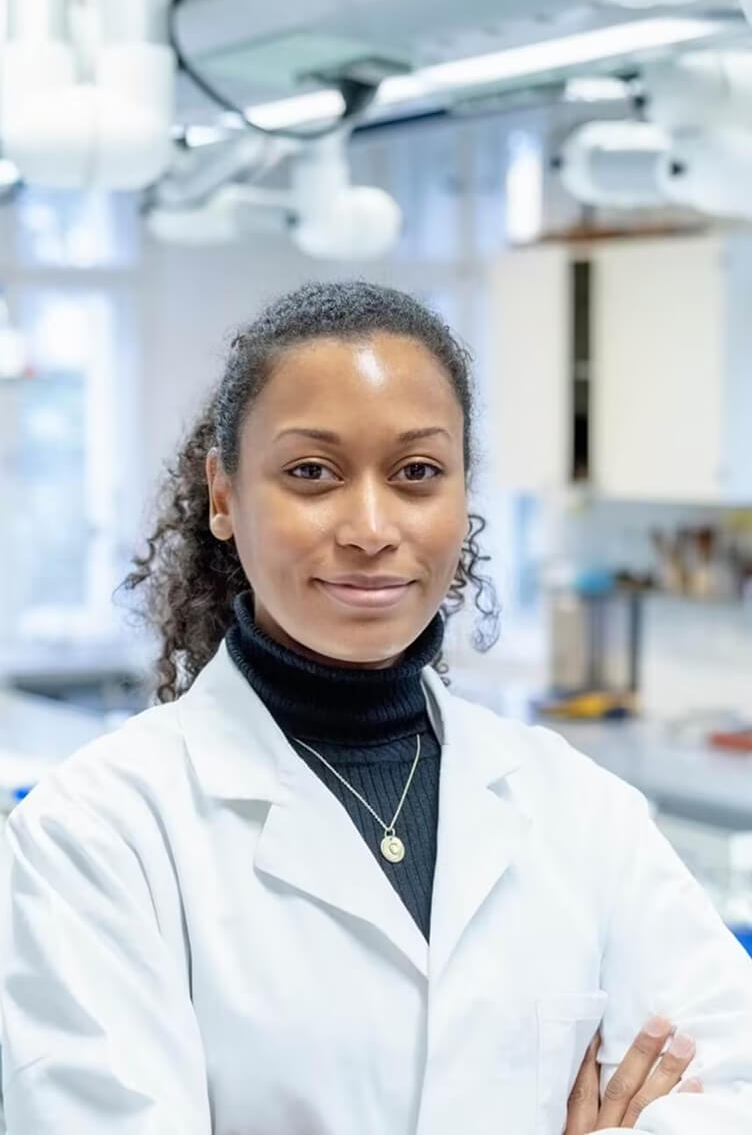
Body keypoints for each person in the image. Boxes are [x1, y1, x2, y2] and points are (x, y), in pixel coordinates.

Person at [1, 281, 750, 1134]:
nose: (369, 526)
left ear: (462, 496)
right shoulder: (100, 833)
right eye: (311, 473)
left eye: (418, 473)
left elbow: (731, 1085)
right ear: (223, 494)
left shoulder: (581, 812)